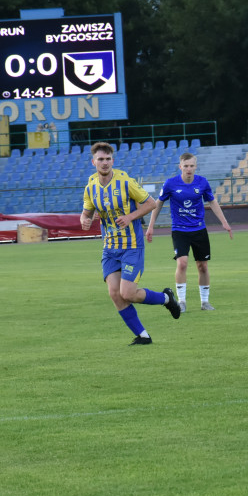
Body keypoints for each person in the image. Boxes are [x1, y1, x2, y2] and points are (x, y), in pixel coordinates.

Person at [80, 142, 181, 345]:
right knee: (115, 294)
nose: (105, 163)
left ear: (113, 161)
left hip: (131, 246)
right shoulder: (90, 186)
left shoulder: (125, 182)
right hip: (110, 249)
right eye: (101, 159)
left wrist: (130, 216)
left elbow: (151, 204)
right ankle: (143, 336)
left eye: (108, 159)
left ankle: (166, 299)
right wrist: (84, 219)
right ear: (93, 162)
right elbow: (87, 211)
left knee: (128, 293)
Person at [145, 152, 233, 312]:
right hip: (180, 230)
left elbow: (212, 201)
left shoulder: (202, 182)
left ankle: (205, 302)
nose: (189, 169)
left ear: (195, 166)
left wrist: (225, 222)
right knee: (182, 262)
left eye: (191, 166)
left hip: (199, 229)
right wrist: (151, 226)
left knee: (203, 267)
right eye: (186, 166)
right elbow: (157, 204)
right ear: (180, 167)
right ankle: (182, 301)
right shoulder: (170, 184)